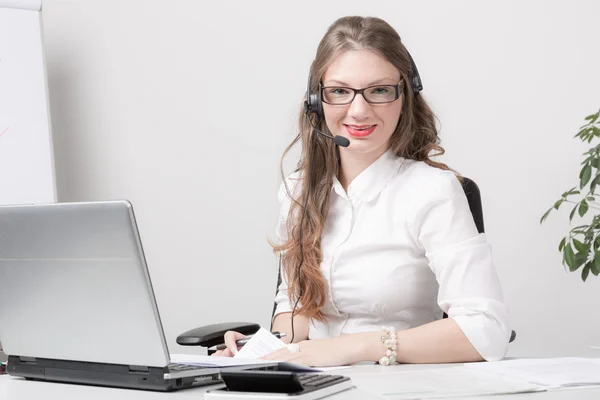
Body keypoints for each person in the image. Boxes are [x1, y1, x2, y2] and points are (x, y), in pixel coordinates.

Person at [213, 15, 510, 367]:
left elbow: (486, 330)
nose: (358, 110)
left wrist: (354, 347)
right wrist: (266, 344)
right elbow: (295, 311)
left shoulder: (433, 192)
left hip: (404, 386)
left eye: (379, 90)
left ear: (405, 96)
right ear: (315, 100)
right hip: (313, 382)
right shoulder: (298, 191)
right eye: (339, 91)